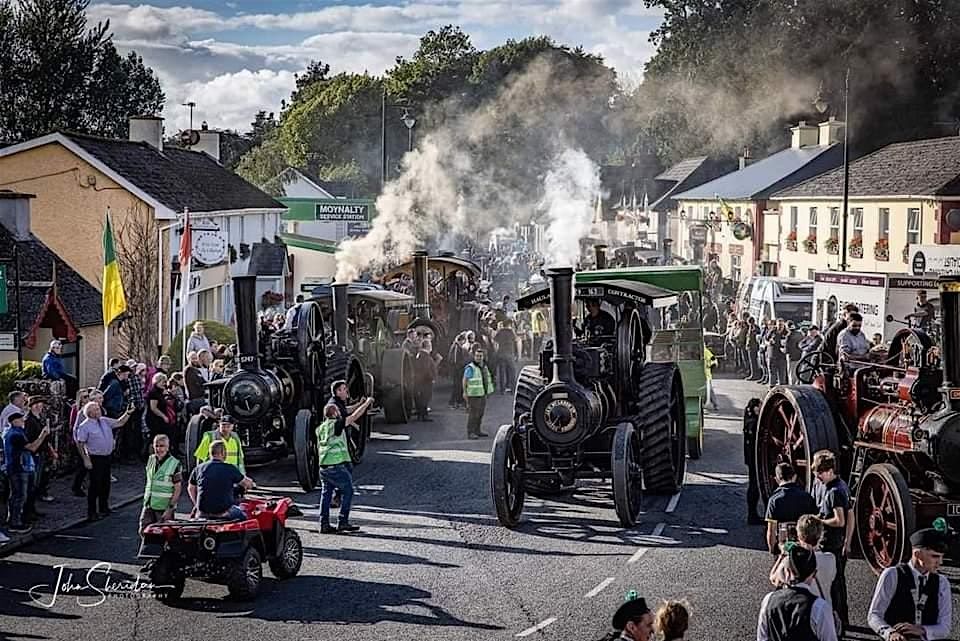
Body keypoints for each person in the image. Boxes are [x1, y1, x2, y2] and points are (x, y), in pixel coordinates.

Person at [868, 527, 952, 641]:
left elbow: (945, 627)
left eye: (942, 557)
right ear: (917, 554)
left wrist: (922, 630)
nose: (940, 562)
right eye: (935, 556)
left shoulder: (942, 583)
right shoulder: (892, 574)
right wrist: (890, 633)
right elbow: (874, 615)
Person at [757, 545, 838, 641]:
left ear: (787, 571)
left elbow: (762, 637)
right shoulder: (819, 607)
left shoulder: (768, 600)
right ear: (814, 574)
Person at [317, 396, 373, 534]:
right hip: (337, 466)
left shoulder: (320, 428)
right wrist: (366, 404)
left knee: (326, 495)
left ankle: (323, 524)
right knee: (348, 491)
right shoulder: (337, 424)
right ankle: (343, 522)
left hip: (323, 467)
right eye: (338, 411)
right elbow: (354, 416)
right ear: (335, 414)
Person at [75, 401, 134, 522]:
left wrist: (128, 413)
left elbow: (119, 422)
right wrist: (86, 459)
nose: (99, 411)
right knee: (95, 485)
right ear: (90, 413)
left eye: (98, 408)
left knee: (105, 484)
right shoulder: (84, 426)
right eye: (96, 409)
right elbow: (80, 443)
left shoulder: (104, 421)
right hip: (95, 457)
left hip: (106, 457)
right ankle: (91, 512)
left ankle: (104, 507)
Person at [812, 449, 851, 627]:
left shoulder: (834, 492)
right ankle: (843, 619)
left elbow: (840, 520)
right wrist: (848, 541)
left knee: (832, 584)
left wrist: (820, 520)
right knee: (839, 582)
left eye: (820, 474)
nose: (818, 478)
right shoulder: (842, 484)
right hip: (840, 543)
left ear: (829, 471)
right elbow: (850, 516)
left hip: (831, 543)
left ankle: (837, 622)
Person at [771, 515, 837, 611]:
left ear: (799, 535)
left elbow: (774, 579)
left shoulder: (790, 561)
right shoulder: (830, 559)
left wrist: (783, 555)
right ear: (820, 536)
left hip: (800, 609)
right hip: (823, 606)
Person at [2, 412, 49, 534]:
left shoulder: (14, 432)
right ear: (13, 421)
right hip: (19, 468)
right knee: (19, 496)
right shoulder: (16, 435)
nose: (23, 421)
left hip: (20, 467)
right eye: (20, 419)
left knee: (19, 495)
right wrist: (43, 435)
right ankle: (15, 523)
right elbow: (32, 447)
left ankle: (16, 518)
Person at [188, 440, 254, 521]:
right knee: (246, 516)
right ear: (223, 453)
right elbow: (247, 483)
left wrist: (197, 505)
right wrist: (251, 483)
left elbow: (191, 488)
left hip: (203, 512)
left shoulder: (198, 469)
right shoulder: (230, 468)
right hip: (224, 512)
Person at [138, 434, 181, 551]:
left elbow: (177, 489)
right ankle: (150, 557)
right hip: (149, 504)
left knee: (165, 535)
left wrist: (170, 508)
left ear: (168, 447)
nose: (159, 449)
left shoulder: (175, 463)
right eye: (156, 446)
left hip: (164, 506)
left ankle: (164, 561)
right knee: (144, 530)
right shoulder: (151, 459)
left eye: (162, 446)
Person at [764, 462, 818, 554]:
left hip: (784, 545)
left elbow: (771, 530)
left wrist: (772, 549)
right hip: (804, 543)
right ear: (795, 477)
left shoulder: (774, 500)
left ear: (777, 479)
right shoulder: (807, 497)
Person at [23, 397, 56, 518]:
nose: (38, 406)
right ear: (30, 406)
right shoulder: (29, 421)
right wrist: (43, 436)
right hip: (34, 455)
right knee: (32, 484)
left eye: (40, 404)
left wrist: (51, 450)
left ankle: (32, 509)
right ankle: (27, 511)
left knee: (36, 484)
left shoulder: (38, 419)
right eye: (35, 404)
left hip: (40, 453)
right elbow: (30, 441)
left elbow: (45, 439)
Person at [462, 346, 494, 440]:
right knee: (473, 414)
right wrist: (464, 392)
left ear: (483, 357)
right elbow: (465, 380)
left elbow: (486, 380)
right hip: (473, 395)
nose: (478, 358)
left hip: (482, 394)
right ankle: (471, 432)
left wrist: (488, 391)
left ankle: (477, 430)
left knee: (480, 414)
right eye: (477, 356)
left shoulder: (484, 367)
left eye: (480, 356)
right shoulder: (471, 367)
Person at [743, 398, 763, 524]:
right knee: (754, 486)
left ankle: (753, 514)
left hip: (751, 459)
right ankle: (752, 515)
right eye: (759, 407)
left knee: (753, 485)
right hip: (754, 459)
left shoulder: (749, 420)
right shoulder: (753, 423)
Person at [413, 338, 438, 422]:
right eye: (430, 345)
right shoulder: (425, 356)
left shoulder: (420, 354)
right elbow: (426, 369)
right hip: (425, 381)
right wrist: (431, 378)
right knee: (425, 397)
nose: (431, 347)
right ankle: (423, 415)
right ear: (427, 346)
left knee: (422, 397)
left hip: (420, 380)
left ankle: (422, 414)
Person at [145, 373, 174, 441]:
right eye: (163, 382)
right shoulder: (153, 392)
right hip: (155, 419)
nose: (164, 384)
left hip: (161, 419)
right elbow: (153, 408)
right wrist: (163, 416)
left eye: (165, 382)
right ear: (157, 382)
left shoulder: (162, 392)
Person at [493, 320, 518, 393]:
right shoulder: (511, 332)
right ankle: (513, 389)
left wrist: (496, 351)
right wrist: (517, 355)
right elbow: (516, 340)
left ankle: (502, 390)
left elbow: (495, 342)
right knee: (512, 371)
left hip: (501, 353)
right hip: (510, 353)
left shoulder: (499, 332)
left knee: (501, 372)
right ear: (509, 324)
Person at [703, 344, 719, 411]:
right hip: (700, 374)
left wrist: (713, 365)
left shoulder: (705, 351)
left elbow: (713, 359)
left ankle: (715, 404)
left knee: (709, 390)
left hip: (706, 375)